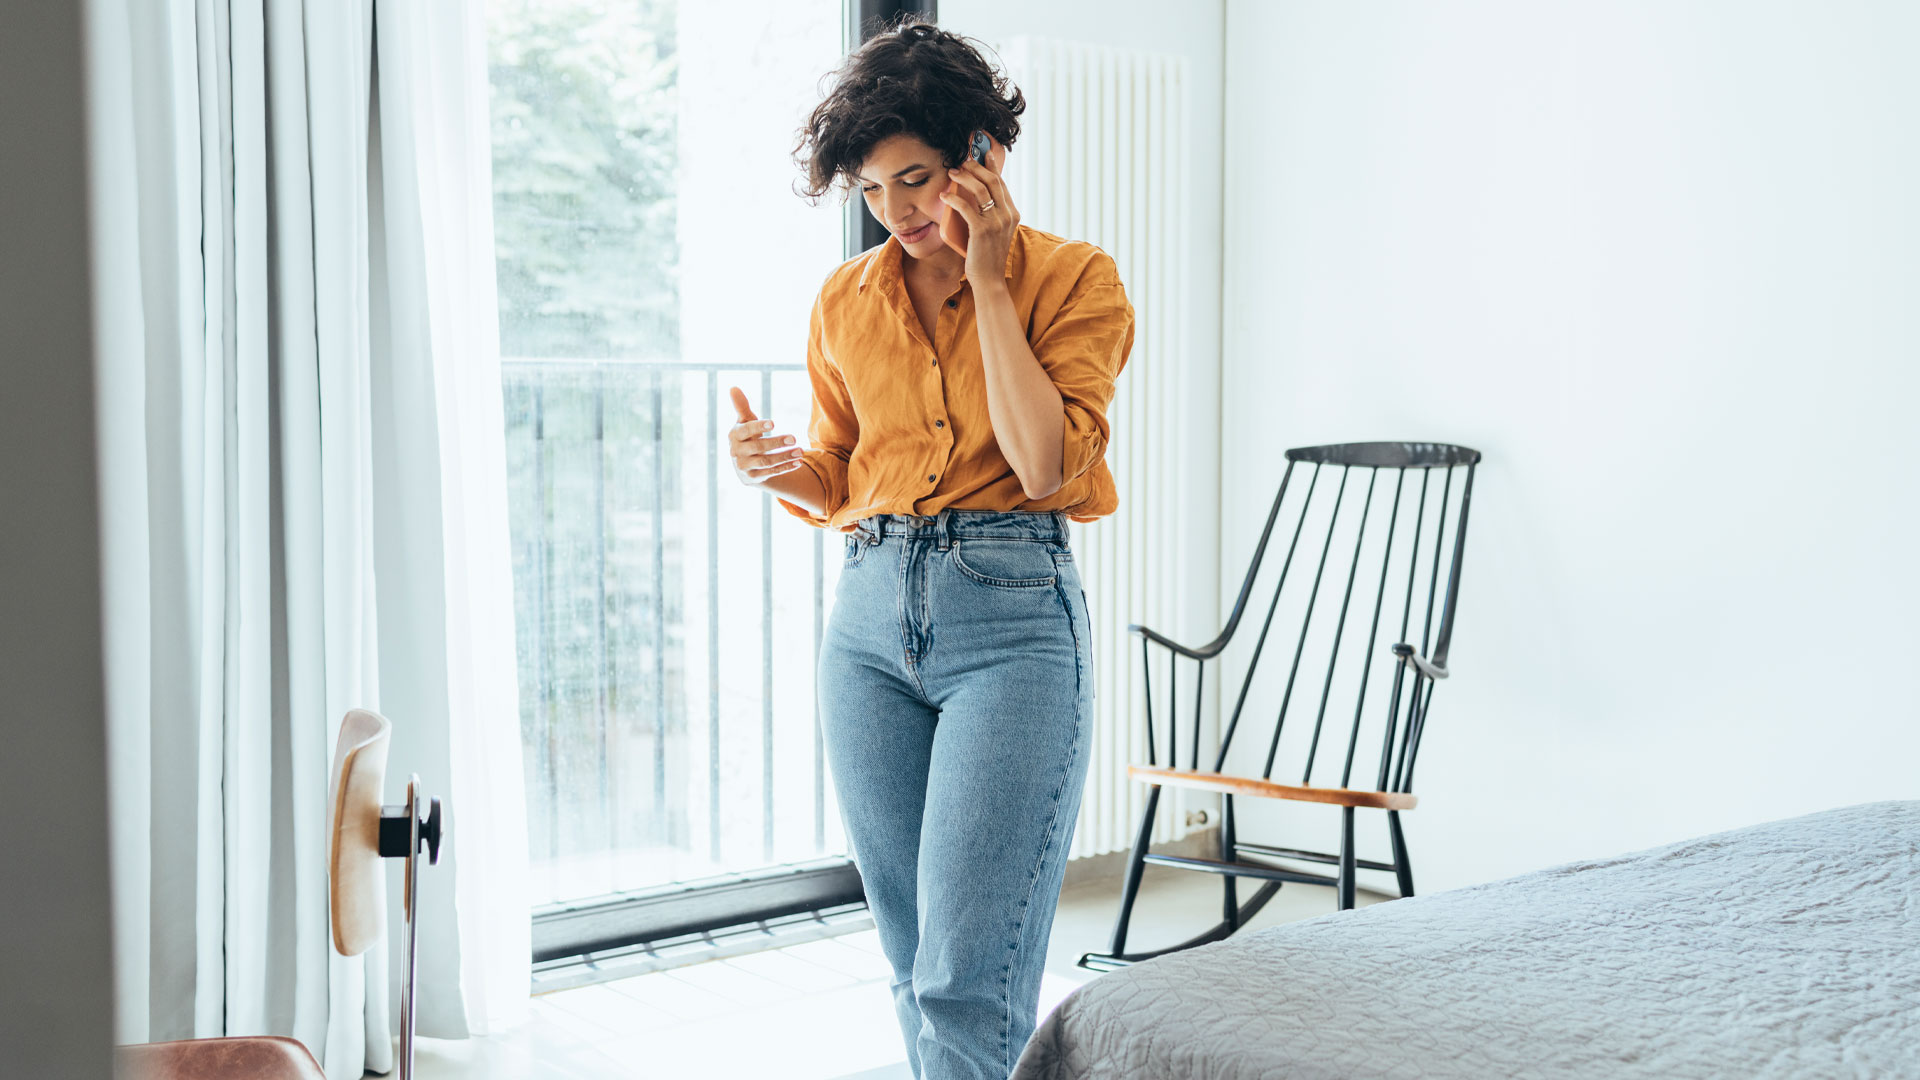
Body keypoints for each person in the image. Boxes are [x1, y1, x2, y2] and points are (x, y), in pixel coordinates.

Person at [726, 16, 1135, 1080]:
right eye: (872, 189)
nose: (895, 212)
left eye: (916, 179)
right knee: (913, 967)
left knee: (969, 978)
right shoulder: (843, 301)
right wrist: (781, 471)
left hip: (1010, 622)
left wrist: (991, 280)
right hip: (865, 626)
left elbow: (1046, 465)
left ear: (984, 158)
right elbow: (841, 470)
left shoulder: (1074, 281)